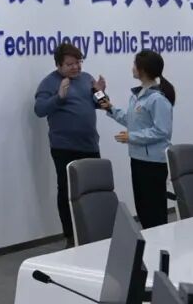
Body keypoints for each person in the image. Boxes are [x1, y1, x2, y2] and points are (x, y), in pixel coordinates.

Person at [95, 50, 175, 229]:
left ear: (143, 70)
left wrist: (132, 137)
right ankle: (149, 242)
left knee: (154, 211)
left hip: (154, 163)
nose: (132, 68)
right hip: (138, 159)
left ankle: (160, 243)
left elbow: (162, 131)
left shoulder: (158, 99)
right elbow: (131, 121)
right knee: (143, 209)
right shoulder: (137, 96)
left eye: (134, 65)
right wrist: (109, 107)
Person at [34, 42, 102, 248]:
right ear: (59, 65)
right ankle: (71, 236)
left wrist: (101, 93)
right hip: (64, 147)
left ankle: (95, 233)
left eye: (78, 62)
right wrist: (59, 97)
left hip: (90, 145)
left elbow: (99, 103)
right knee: (68, 192)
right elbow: (39, 110)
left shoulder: (87, 79)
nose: (76, 67)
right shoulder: (49, 83)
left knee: (94, 191)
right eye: (70, 64)